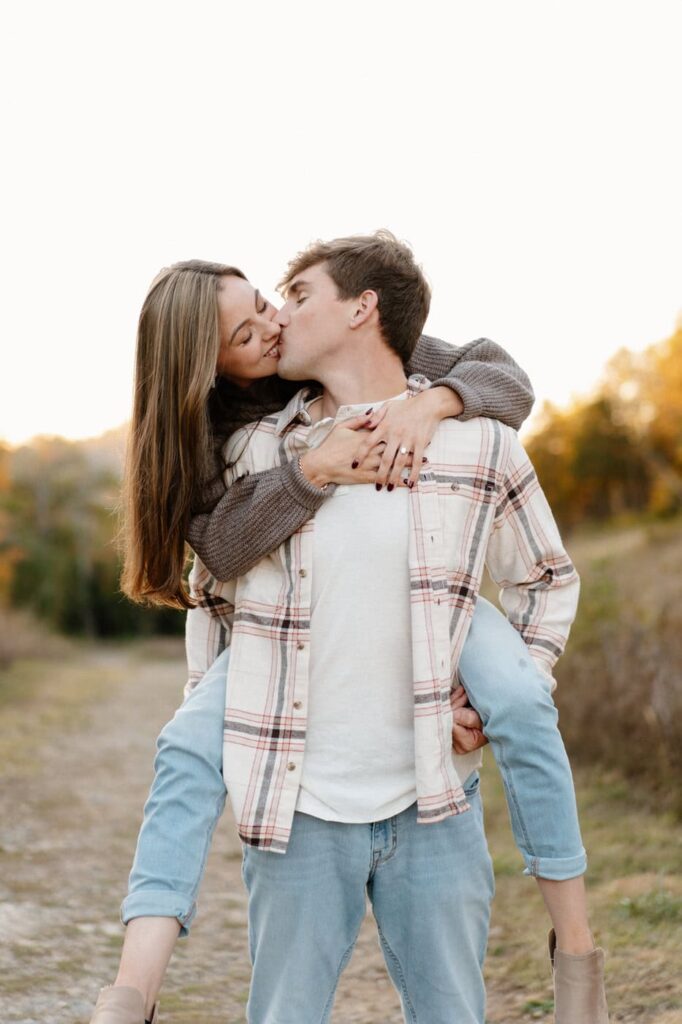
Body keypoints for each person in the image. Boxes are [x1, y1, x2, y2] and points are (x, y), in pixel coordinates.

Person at [90, 239, 608, 1023]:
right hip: (298, 799)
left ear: (358, 309)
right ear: (211, 367)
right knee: (188, 746)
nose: (272, 322)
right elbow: (219, 567)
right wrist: (314, 470)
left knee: (523, 702)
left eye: (278, 298)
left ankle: (578, 958)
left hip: (433, 791)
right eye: (248, 329)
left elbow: (504, 390)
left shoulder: (466, 427)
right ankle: (131, 995)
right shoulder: (246, 441)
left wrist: (433, 403)